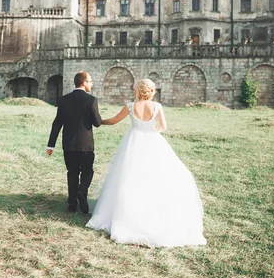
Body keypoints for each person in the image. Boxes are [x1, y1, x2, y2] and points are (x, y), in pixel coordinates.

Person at [86, 79, 207, 247]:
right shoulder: (157, 107)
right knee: (154, 176)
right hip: (152, 141)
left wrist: (99, 122)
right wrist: (150, 132)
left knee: (127, 176)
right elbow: (163, 126)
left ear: (137, 91)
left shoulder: (130, 106)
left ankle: (125, 213)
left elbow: (114, 121)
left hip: (133, 141)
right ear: (150, 91)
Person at [47, 71, 102, 213]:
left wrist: (51, 144)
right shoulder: (91, 100)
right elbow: (97, 123)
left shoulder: (63, 99)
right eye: (90, 82)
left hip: (69, 144)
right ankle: (82, 192)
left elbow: (57, 123)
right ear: (84, 83)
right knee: (87, 171)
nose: (91, 84)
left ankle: (72, 204)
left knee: (72, 173)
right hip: (86, 145)